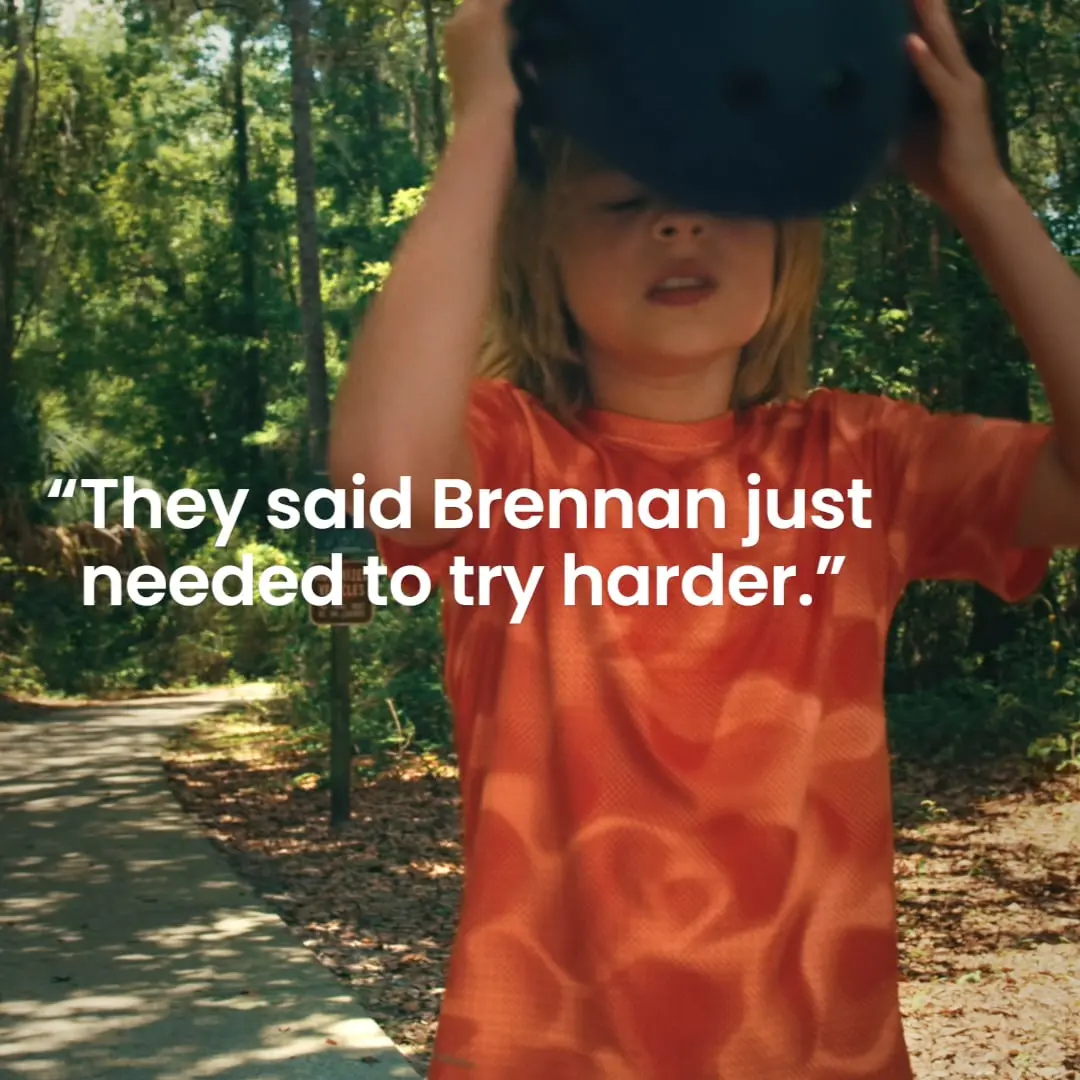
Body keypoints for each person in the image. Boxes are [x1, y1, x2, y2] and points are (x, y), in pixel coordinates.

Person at [328, 0, 1080, 1074]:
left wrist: (984, 192)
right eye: (624, 200)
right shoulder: (514, 461)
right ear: (542, 262)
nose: (676, 225)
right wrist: (486, 118)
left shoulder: (863, 463)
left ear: (786, 246)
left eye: (720, 199)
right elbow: (389, 478)